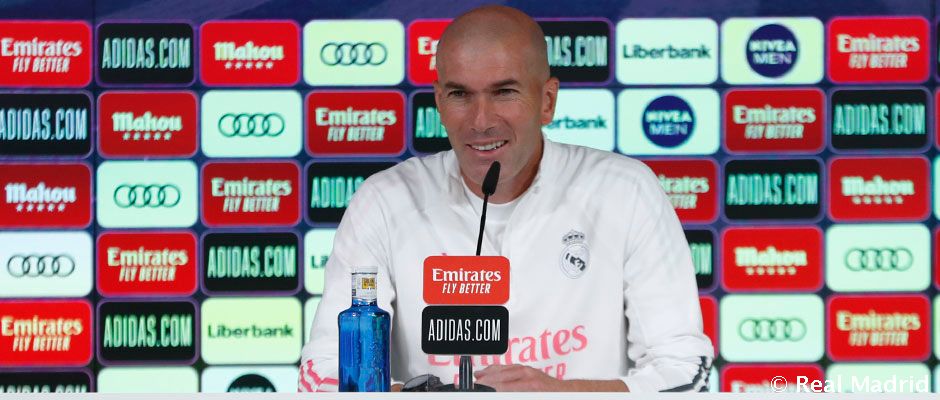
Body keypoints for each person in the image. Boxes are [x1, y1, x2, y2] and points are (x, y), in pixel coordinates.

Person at [299, 5, 713, 392]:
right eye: (460, 95)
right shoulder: (384, 201)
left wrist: (559, 394)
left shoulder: (625, 191)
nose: (481, 121)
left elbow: (683, 368)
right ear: (439, 102)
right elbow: (322, 372)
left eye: (504, 92)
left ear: (547, 101)